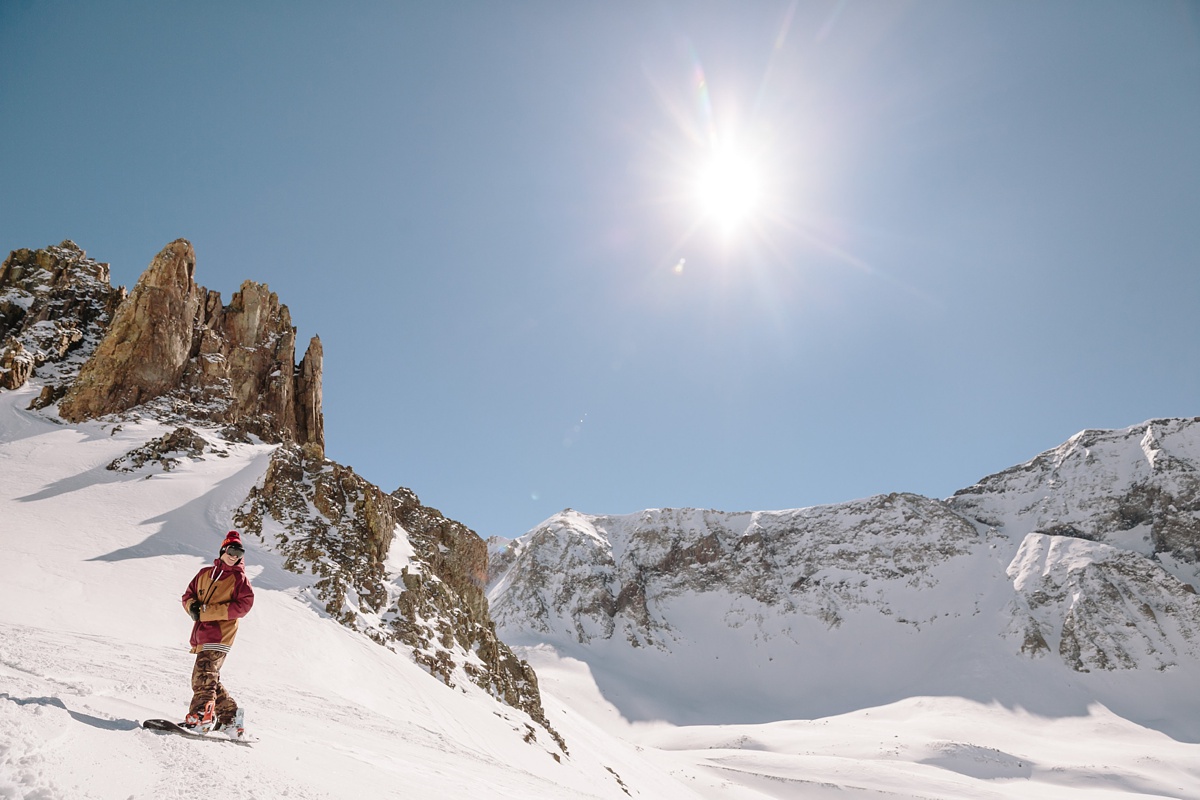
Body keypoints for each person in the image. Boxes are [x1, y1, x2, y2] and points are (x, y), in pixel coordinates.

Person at [180, 530, 255, 738]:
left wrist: (207, 613)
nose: (235, 555)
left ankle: (200, 718)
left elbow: (244, 605)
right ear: (223, 549)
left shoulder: (239, 579)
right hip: (202, 635)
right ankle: (230, 719)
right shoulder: (205, 574)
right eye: (232, 550)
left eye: (239, 552)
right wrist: (192, 607)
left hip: (220, 635)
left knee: (202, 677)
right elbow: (188, 595)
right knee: (209, 679)